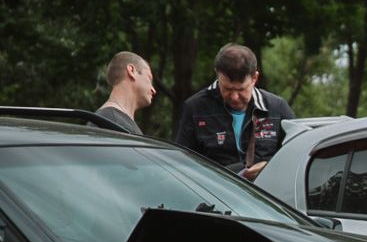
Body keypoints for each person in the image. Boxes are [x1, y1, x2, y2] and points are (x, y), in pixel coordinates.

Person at [175, 44, 296, 181]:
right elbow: (181, 163)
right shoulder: (195, 108)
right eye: (227, 88)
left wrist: (269, 166)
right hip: (215, 193)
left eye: (241, 90)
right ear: (217, 75)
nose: (234, 97)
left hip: (267, 194)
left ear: (254, 78)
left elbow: (296, 154)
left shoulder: (277, 107)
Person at [95, 52, 155, 135]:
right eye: (149, 78)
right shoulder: (113, 123)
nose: (153, 90)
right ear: (132, 71)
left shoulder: (109, 120)